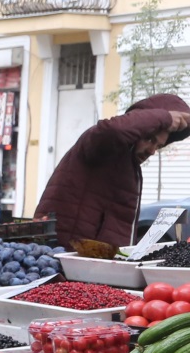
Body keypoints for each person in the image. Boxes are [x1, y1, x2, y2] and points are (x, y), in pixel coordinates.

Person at [38, 95, 190, 247]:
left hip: (92, 261)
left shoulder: (128, 166)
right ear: (138, 131)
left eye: (158, 146)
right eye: (150, 139)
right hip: (66, 257)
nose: (152, 151)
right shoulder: (103, 147)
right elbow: (113, 129)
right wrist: (165, 117)